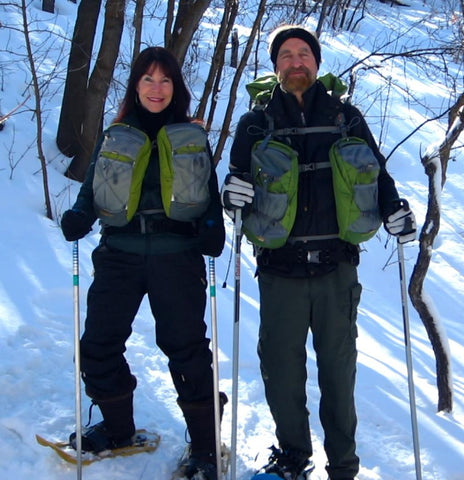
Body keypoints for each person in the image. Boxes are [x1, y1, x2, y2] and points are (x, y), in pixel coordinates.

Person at [221, 26, 416, 480]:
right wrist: (232, 194)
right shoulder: (256, 123)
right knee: (282, 373)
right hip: (280, 271)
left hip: (336, 270)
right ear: (275, 66)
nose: (295, 62)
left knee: (338, 375)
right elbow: (236, 180)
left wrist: (395, 211)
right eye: (286, 55)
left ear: (316, 62)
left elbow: (379, 175)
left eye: (303, 54)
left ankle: (343, 467)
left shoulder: (347, 118)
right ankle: (292, 457)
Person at [61, 46, 227, 480]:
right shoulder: (116, 134)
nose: (157, 88)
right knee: (97, 344)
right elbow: (92, 187)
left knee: (186, 350)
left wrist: (213, 226)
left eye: (166, 80)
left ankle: (206, 447)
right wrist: (80, 214)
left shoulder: (192, 136)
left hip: (178, 256)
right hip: (120, 254)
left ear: (177, 87)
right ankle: (118, 429)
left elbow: (208, 193)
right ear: (136, 85)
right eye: (149, 79)